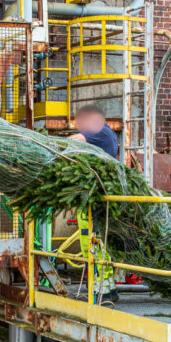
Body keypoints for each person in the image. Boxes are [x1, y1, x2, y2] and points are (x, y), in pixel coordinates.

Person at [68, 105, 120, 303]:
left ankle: (101, 291)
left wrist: (49, 142)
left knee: (94, 242)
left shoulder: (99, 132)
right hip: (95, 195)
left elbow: (77, 140)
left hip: (94, 198)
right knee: (98, 242)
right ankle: (108, 289)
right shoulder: (109, 134)